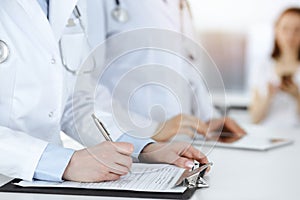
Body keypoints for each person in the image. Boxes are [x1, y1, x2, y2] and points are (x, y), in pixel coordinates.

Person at [0, 0, 209, 183]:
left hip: (43, 184)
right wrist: (62, 162)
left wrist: (144, 148)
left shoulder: (68, 5)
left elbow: (74, 102)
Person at [89, 0, 246, 143]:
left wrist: (209, 119)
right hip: (129, 145)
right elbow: (84, 83)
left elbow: (186, 67)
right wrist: (150, 128)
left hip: (184, 142)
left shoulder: (180, 5)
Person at [250, 7, 300, 128]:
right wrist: (268, 95)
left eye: (297, 30)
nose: (290, 36)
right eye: (285, 29)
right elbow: (254, 118)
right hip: (268, 136)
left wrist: (297, 96)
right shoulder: (263, 67)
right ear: (276, 30)